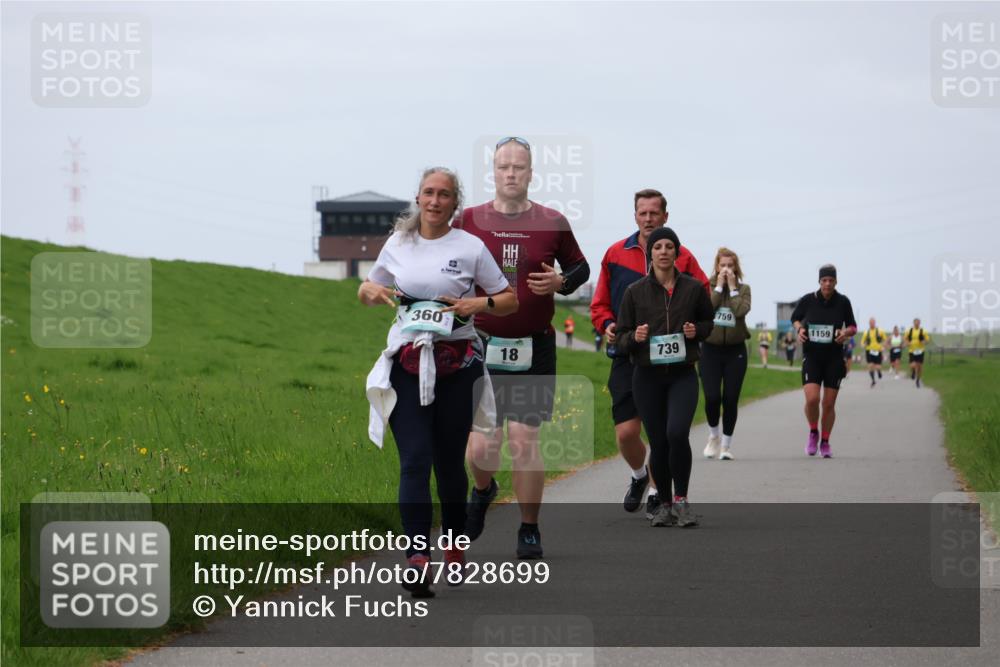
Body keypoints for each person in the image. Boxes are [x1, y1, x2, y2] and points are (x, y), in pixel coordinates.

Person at [361, 167, 518, 597]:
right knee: (414, 460)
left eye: (443, 194)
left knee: (449, 464)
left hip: (457, 366)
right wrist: (369, 291)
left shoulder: (470, 247)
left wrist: (476, 304)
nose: (434, 201)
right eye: (428, 193)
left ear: (454, 202)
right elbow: (368, 288)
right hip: (406, 363)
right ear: (418, 198)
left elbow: (509, 300)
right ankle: (417, 556)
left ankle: (453, 545)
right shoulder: (398, 243)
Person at [458, 137, 590, 559]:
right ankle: (483, 490)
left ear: (531, 173)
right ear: (493, 172)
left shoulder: (552, 221)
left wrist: (562, 282)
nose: (511, 173)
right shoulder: (468, 220)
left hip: (534, 346)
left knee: (523, 439)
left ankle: (529, 527)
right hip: (481, 345)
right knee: (481, 446)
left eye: (519, 167)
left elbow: (580, 267)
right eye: (504, 166)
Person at [590, 188, 709, 518]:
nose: (648, 218)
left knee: (666, 434)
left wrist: (693, 328)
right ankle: (640, 475)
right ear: (635, 216)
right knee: (627, 432)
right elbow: (599, 303)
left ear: (665, 217)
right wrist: (608, 325)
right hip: (630, 355)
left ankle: (660, 493)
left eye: (654, 213)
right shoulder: (615, 254)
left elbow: (703, 298)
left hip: (673, 362)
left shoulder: (683, 256)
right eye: (642, 213)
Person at [616, 227, 714, 527]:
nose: (663, 251)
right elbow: (620, 337)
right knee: (658, 442)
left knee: (677, 433)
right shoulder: (635, 292)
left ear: (676, 252)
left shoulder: (693, 289)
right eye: (657, 247)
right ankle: (665, 504)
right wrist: (634, 336)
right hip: (647, 377)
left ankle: (682, 501)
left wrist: (696, 331)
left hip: (682, 375)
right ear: (650, 254)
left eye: (669, 246)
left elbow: (708, 323)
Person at [791, 264, 857, 459]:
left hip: (834, 358)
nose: (827, 284)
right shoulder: (808, 300)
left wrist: (845, 333)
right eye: (824, 280)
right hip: (812, 356)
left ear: (836, 282)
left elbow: (853, 326)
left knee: (828, 404)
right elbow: (795, 318)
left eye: (831, 280)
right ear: (819, 281)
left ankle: (825, 441)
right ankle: (813, 432)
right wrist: (799, 329)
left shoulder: (843, 302)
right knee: (812, 399)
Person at [700, 247, 751, 461]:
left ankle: (726, 446)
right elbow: (706, 310)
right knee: (712, 397)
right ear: (717, 266)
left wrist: (732, 288)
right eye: (723, 265)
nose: (726, 269)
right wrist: (720, 287)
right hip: (710, 350)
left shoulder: (744, 289)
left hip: (735, 351)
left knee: (730, 399)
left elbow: (740, 311)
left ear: (736, 267)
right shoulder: (707, 286)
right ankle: (714, 436)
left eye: (730, 266)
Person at [904, 318, 932, 388]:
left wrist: (924, 342)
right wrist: (907, 343)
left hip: (920, 351)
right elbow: (905, 339)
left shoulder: (923, 331)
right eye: (915, 322)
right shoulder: (909, 331)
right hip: (912, 350)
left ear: (919, 323)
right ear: (913, 323)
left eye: (918, 322)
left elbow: (927, 340)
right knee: (912, 365)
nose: (916, 324)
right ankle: (913, 371)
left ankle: (918, 380)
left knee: (919, 367)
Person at [860, 317, 887, 388]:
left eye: (873, 323)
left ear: (875, 323)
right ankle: (873, 380)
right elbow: (862, 342)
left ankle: (879, 371)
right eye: (870, 323)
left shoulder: (880, 331)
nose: (872, 324)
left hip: (878, 350)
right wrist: (863, 345)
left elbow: (885, 340)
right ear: (869, 323)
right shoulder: (866, 332)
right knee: (870, 366)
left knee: (878, 366)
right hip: (869, 351)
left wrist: (883, 346)